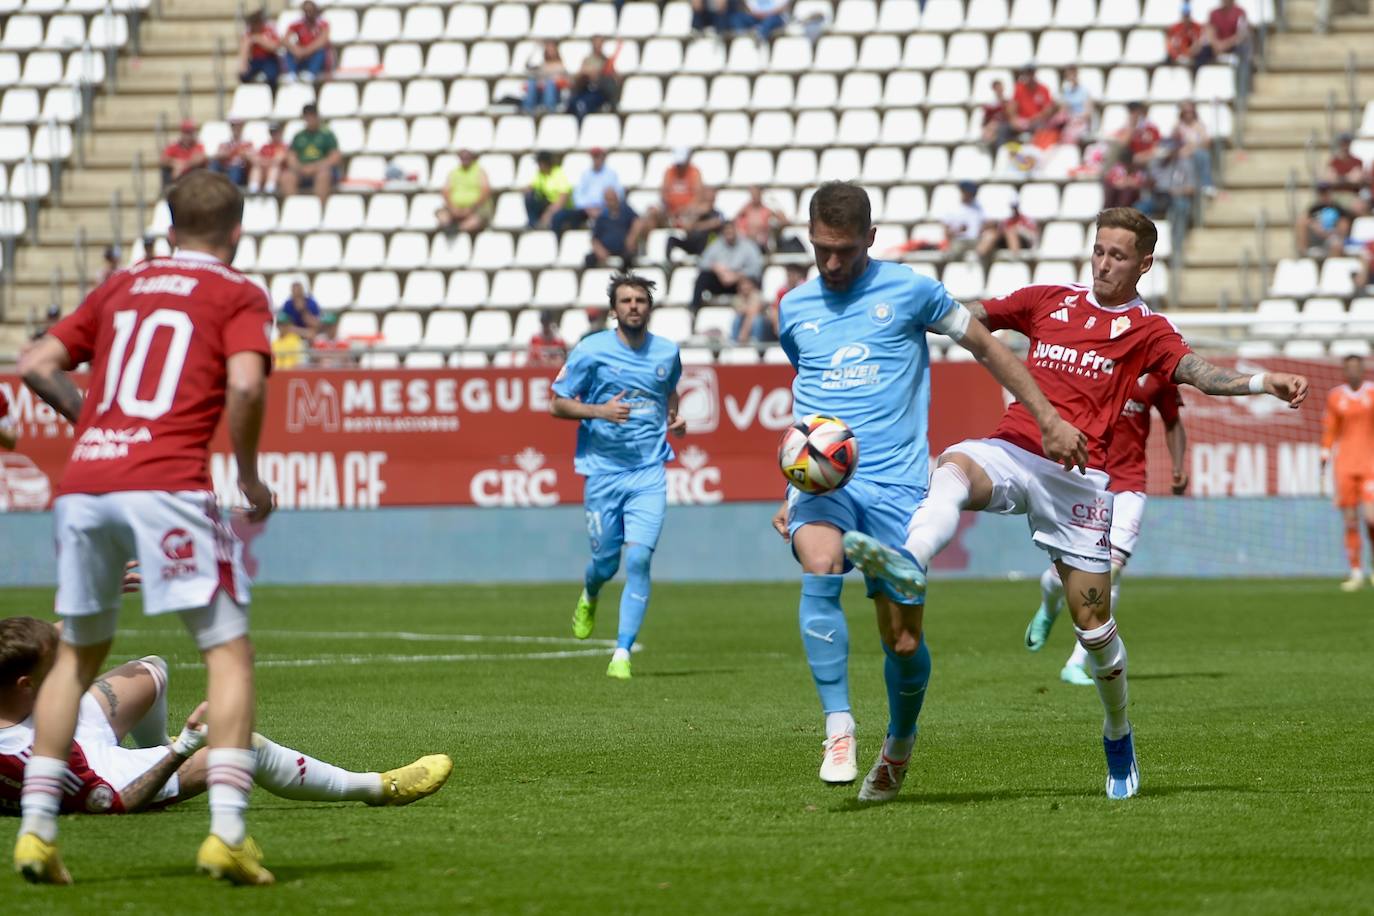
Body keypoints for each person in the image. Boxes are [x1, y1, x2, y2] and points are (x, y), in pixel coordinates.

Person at [841, 207, 1309, 802]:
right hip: (1015, 449)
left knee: (1094, 629)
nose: (1104, 263)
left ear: (1143, 264)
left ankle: (1118, 734)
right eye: (1098, 251)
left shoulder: (1147, 329)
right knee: (955, 462)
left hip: (1080, 481)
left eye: (1117, 255)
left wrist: (1261, 381)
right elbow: (965, 315)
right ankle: (911, 558)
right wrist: (888, 303)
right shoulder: (1048, 301)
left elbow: (1197, 373)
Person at [769, 180, 1086, 795]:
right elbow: (807, 400)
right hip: (826, 485)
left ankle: (900, 744)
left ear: (870, 239)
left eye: (845, 250)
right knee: (822, 561)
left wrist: (1047, 416)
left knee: (903, 638)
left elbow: (986, 347)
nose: (832, 263)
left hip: (897, 486)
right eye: (821, 249)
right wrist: (791, 485)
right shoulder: (794, 307)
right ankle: (838, 726)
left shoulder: (911, 291)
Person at [13, 169, 278, 885]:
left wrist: (94, 426)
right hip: (168, 484)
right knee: (227, 656)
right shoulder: (238, 291)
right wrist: (249, 476)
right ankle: (226, 833)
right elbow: (248, 384)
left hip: (86, 484)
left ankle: (37, 834)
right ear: (236, 233)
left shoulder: (122, 285)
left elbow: (35, 363)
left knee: (71, 659)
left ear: (167, 227)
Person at [0, 616, 453, 818]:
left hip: (50, 720)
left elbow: (48, 643)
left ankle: (151, 748)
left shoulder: (15, 692)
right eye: (55, 666)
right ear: (27, 686)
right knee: (239, 747)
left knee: (152, 669)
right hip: (107, 775)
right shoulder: (39, 760)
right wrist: (181, 750)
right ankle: (375, 788)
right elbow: (114, 805)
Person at [550, 273, 687, 680]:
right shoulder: (591, 351)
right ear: (614, 309)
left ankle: (622, 652)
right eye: (625, 300)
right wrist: (600, 412)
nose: (633, 306)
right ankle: (590, 592)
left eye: (640, 300)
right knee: (606, 564)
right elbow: (557, 404)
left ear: (649, 307)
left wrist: (674, 418)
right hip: (603, 472)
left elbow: (670, 389)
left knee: (640, 559)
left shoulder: (667, 352)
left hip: (648, 472)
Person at [1026, 370, 1188, 685]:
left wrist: (1179, 465)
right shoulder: (1095, 359)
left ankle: (1076, 662)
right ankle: (1049, 606)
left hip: (1130, 487)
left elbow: (1172, 420)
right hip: (1088, 481)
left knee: (1108, 573)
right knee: (1068, 573)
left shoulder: (1157, 374)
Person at [1320, 354, 1374, 591]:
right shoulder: (1336, 396)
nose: (1352, 372)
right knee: (1350, 520)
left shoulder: (1372, 392)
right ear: (1344, 370)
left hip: (1371, 464)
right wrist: (1324, 453)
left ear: (1363, 370)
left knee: (1371, 518)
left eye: (1356, 367)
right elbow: (1331, 428)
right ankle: (1355, 572)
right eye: (1348, 368)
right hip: (1345, 464)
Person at [629, 149, 704, 250]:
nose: (679, 167)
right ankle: (648, 249)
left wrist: (683, 211)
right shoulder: (669, 171)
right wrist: (670, 210)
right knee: (651, 214)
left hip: (687, 214)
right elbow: (664, 194)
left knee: (692, 218)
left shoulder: (694, 172)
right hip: (670, 212)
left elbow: (697, 197)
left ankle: (685, 248)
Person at [690, 221, 763, 315]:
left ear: (736, 231)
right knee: (703, 277)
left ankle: (746, 310)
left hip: (739, 284)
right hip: (720, 280)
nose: (729, 234)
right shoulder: (716, 245)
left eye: (731, 231)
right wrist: (717, 268)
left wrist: (737, 276)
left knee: (748, 282)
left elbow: (756, 268)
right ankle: (694, 309)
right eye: (726, 232)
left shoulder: (747, 245)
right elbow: (702, 263)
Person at [1139, 137, 1197, 255]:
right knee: (1138, 208)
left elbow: (1191, 189)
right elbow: (1138, 162)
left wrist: (1175, 191)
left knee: (1181, 206)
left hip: (1176, 197)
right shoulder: (1155, 163)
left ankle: (1177, 243)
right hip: (1158, 197)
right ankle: (1141, 244)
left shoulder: (1184, 164)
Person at [279, 104, 341, 202]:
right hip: (302, 171)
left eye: (312, 115)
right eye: (307, 115)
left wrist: (315, 167)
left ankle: (319, 209)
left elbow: (335, 157)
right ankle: (293, 208)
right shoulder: (299, 136)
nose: (309, 118)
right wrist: (300, 168)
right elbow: (291, 156)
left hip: (320, 169)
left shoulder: (327, 134)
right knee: (287, 177)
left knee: (323, 176)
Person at [435, 148, 493, 234]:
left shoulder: (480, 171)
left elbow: (485, 191)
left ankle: (457, 229)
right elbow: (445, 191)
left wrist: (470, 208)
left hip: (475, 208)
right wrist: (452, 208)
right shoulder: (454, 172)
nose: (464, 159)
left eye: (467, 157)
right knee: (441, 213)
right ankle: (449, 226)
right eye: (462, 157)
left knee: (479, 217)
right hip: (455, 208)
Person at [567, 148, 623, 232]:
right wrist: (588, 208)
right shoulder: (585, 174)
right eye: (594, 157)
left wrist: (604, 206)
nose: (596, 160)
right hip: (586, 209)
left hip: (605, 208)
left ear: (603, 158)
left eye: (598, 157)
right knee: (567, 216)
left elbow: (619, 193)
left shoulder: (611, 174)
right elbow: (577, 195)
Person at [664, 187, 725, 262]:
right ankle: (668, 263)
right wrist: (698, 214)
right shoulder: (695, 212)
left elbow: (715, 224)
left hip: (705, 247)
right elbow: (687, 228)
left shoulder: (717, 214)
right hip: (691, 242)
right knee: (671, 239)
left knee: (704, 235)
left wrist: (697, 226)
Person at [1296, 182, 1353, 256]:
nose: (1324, 196)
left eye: (1326, 193)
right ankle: (1303, 254)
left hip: (1332, 237)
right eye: (1321, 193)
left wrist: (1326, 232)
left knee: (1335, 244)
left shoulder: (1338, 208)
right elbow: (1306, 220)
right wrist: (1314, 225)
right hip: (1316, 236)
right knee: (1301, 221)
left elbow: (1344, 227)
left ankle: (1331, 266)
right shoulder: (1314, 208)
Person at [586, 186, 638, 267]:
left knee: (629, 258)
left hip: (624, 249)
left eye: (613, 198)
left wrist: (632, 237)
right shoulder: (601, 217)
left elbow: (637, 221)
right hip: (605, 250)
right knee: (589, 259)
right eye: (609, 199)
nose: (611, 202)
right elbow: (594, 238)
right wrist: (599, 249)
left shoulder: (625, 210)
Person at [525, 151, 575, 232]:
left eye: (540, 163)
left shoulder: (558, 174)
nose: (538, 166)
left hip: (562, 207)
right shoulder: (540, 174)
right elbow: (531, 187)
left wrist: (549, 213)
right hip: (548, 204)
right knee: (529, 196)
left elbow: (563, 197)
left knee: (558, 218)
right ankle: (533, 222)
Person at [284, 0, 331, 84]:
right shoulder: (297, 24)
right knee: (288, 52)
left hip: (315, 58)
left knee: (320, 51)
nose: (309, 13)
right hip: (302, 57)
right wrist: (295, 49)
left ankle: (311, 73)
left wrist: (305, 51)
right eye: (306, 11)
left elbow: (322, 41)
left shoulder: (323, 24)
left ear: (316, 11)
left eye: (311, 11)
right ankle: (292, 73)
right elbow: (286, 40)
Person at [1175, 101, 1215, 196]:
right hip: (1183, 155)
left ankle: (1206, 185)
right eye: (1186, 112)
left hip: (1195, 153)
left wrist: (1191, 148)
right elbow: (1175, 144)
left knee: (1202, 155)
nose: (1188, 114)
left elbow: (1206, 142)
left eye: (1190, 112)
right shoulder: (1177, 127)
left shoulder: (1199, 125)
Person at [237, 8, 282, 91]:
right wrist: (243, 65)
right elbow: (244, 51)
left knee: (271, 76)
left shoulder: (269, 29)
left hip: (269, 59)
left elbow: (275, 47)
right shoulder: (248, 33)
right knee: (244, 76)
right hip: (255, 60)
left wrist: (259, 40)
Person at [941, 180, 984, 259]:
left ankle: (976, 259)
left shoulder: (979, 207)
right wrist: (958, 230)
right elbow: (946, 233)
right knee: (953, 252)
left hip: (976, 241)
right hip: (959, 241)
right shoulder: (951, 208)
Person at [159, 119, 207, 189]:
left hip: (193, 179)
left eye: (190, 132)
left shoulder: (197, 145)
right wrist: (175, 163)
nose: (187, 136)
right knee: (165, 170)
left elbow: (200, 158)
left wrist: (182, 166)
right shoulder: (175, 146)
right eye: (185, 132)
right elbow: (163, 159)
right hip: (178, 179)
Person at [1010, 66, 1056, 135]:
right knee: (1005, 128)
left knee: (1040, 127)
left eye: (1031, 73)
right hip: (1022, 121)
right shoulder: (1019, 88)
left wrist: (1035, 118)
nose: (1030, 75)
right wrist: (1013, 119)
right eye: (1027, 73)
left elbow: (1048, 110)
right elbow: (1012, 106)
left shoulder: (1043, 89)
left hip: (1039, 122)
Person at [523, 40, 565, 114]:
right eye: (548, 49)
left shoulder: (560, 65)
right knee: (532, 82)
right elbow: (528, 67)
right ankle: (527, 108)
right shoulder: (542, 65)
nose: (550, 51)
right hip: (540, 93)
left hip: (554, 94)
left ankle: (549, 109)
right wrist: (535, 50)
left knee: (550, 83)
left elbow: (562, 80)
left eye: (552, 49)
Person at [735, 185, 782, 252]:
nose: (754, 197)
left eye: (756, 194)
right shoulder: (746, 209)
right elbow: (734, 220)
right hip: (746, 243)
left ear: (760, 194)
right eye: (752, 194)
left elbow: (783, 220)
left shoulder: (767, 210)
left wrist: (774, 203)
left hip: (761, 244)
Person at [210, 117, 253, 188]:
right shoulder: (225, 143)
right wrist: (224, 154)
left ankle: (230, 190)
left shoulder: (247, 144)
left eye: (238, 126)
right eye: (233, 126)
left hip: (240, 170)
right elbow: (216, 156)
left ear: (242, 127)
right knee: (214, 165)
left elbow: (251, 158)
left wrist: (244, 155)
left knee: (235, 168)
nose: (236, 128)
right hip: (226, 169)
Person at [247, 121, 288, 195]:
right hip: (264, 173)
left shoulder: (284, 146)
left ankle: (270, 189)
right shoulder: (265, 147)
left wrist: (264, 161)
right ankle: (253, 189)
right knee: (256, 168)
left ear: (280, 132)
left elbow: (278, 160)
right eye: (272, 132)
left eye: (275, 132)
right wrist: (267, 162)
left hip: (279, 175)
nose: (273, 135)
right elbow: (256, 160)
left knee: (274, 168)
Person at [1058, 65, 1095, 145]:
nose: (1071, 77)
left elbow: (1087, 113)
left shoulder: (1085, 91)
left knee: (1071, 135)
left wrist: (1076, 119)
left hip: (1081, 123)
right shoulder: (1066, 91)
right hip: (1070, 123)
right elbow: (1064, 110)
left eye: (1072, 74)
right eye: (1068, 75)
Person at [1117, 102, 1161, 166]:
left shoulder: (1151, 128)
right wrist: (1131, 127)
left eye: (1136, 111)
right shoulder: (1125, 129)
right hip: (1128, 161)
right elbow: (1121, 145)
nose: (1134, 114)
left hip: (1146, 161)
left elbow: (1156, 148)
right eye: (1131, 112)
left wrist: (1143, 156)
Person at [980, 79, 1012, 152]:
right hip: (995, 126)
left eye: (1000, 87)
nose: (999, 89)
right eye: (997, 87)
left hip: (1005, 125)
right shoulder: (990, 104)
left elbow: (1010, 116)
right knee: (992, 126)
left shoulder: (1008, 102)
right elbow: (986, 119)